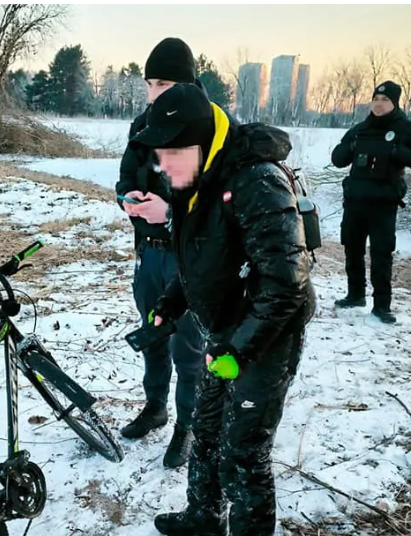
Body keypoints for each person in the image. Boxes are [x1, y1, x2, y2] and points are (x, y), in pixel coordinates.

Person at [129, 84, 316, 536]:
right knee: (207, 432)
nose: (162, 166)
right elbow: (201, 257)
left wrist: (240, 348)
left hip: (266, 336)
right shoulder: (195, 182)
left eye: (171, 154)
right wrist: (170, 304)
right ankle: (203, 519)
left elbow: (286, 282)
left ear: (199, 143)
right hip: (225, 332)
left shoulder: (257, 181)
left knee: (243, 451)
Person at [115, 38, 204, 468]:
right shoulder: (142, 125)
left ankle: (188, 426)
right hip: (146, 254)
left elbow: (208, 204)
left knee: (188, 346)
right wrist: (126, 198)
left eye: (164, 82)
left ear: (186, 83)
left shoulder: (201, 127)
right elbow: (125, 174)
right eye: (150, 83)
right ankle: (156, 408)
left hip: (185, 258)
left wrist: (169, 213)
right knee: (152, 333)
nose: (155, 93)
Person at [331, 80, 411, 323]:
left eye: (385, 100)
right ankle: (355, 295)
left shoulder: (405, 129)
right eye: (376, 99)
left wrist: (397, 152)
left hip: (383, 204)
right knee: (352, 250)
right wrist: (352, 147)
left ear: (395, 103)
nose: (379, 104)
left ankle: (382, 306)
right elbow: (337, 158)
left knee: (381, 255)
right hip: (355, 201)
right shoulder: (360, 129)